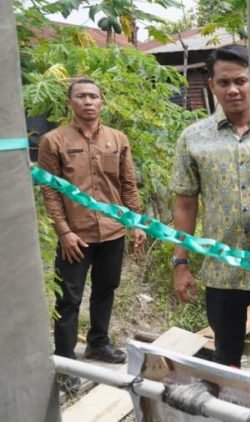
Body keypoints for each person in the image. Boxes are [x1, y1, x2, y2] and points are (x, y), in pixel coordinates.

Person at [170, 44, 250, 368]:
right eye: (224, 82)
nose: (233, 90)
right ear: (211, 85)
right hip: (222, 269)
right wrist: (180, 263)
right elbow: (185, 204)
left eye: (241, 80)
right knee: (226, 355)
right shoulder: (193, 138)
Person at [38, 78, 146, 392]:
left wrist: (136, 222)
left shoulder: (117, 139)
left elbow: (128, 185)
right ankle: (65, 362)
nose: (88, 101)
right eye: (81, 96)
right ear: (69, 102)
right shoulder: (53, 141)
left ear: (102, 102)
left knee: (106, 289)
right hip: (76, 236)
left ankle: (98, 343)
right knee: (68, 299)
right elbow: (50, 191)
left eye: (93, 96)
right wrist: (64, 231)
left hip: (113, 231)